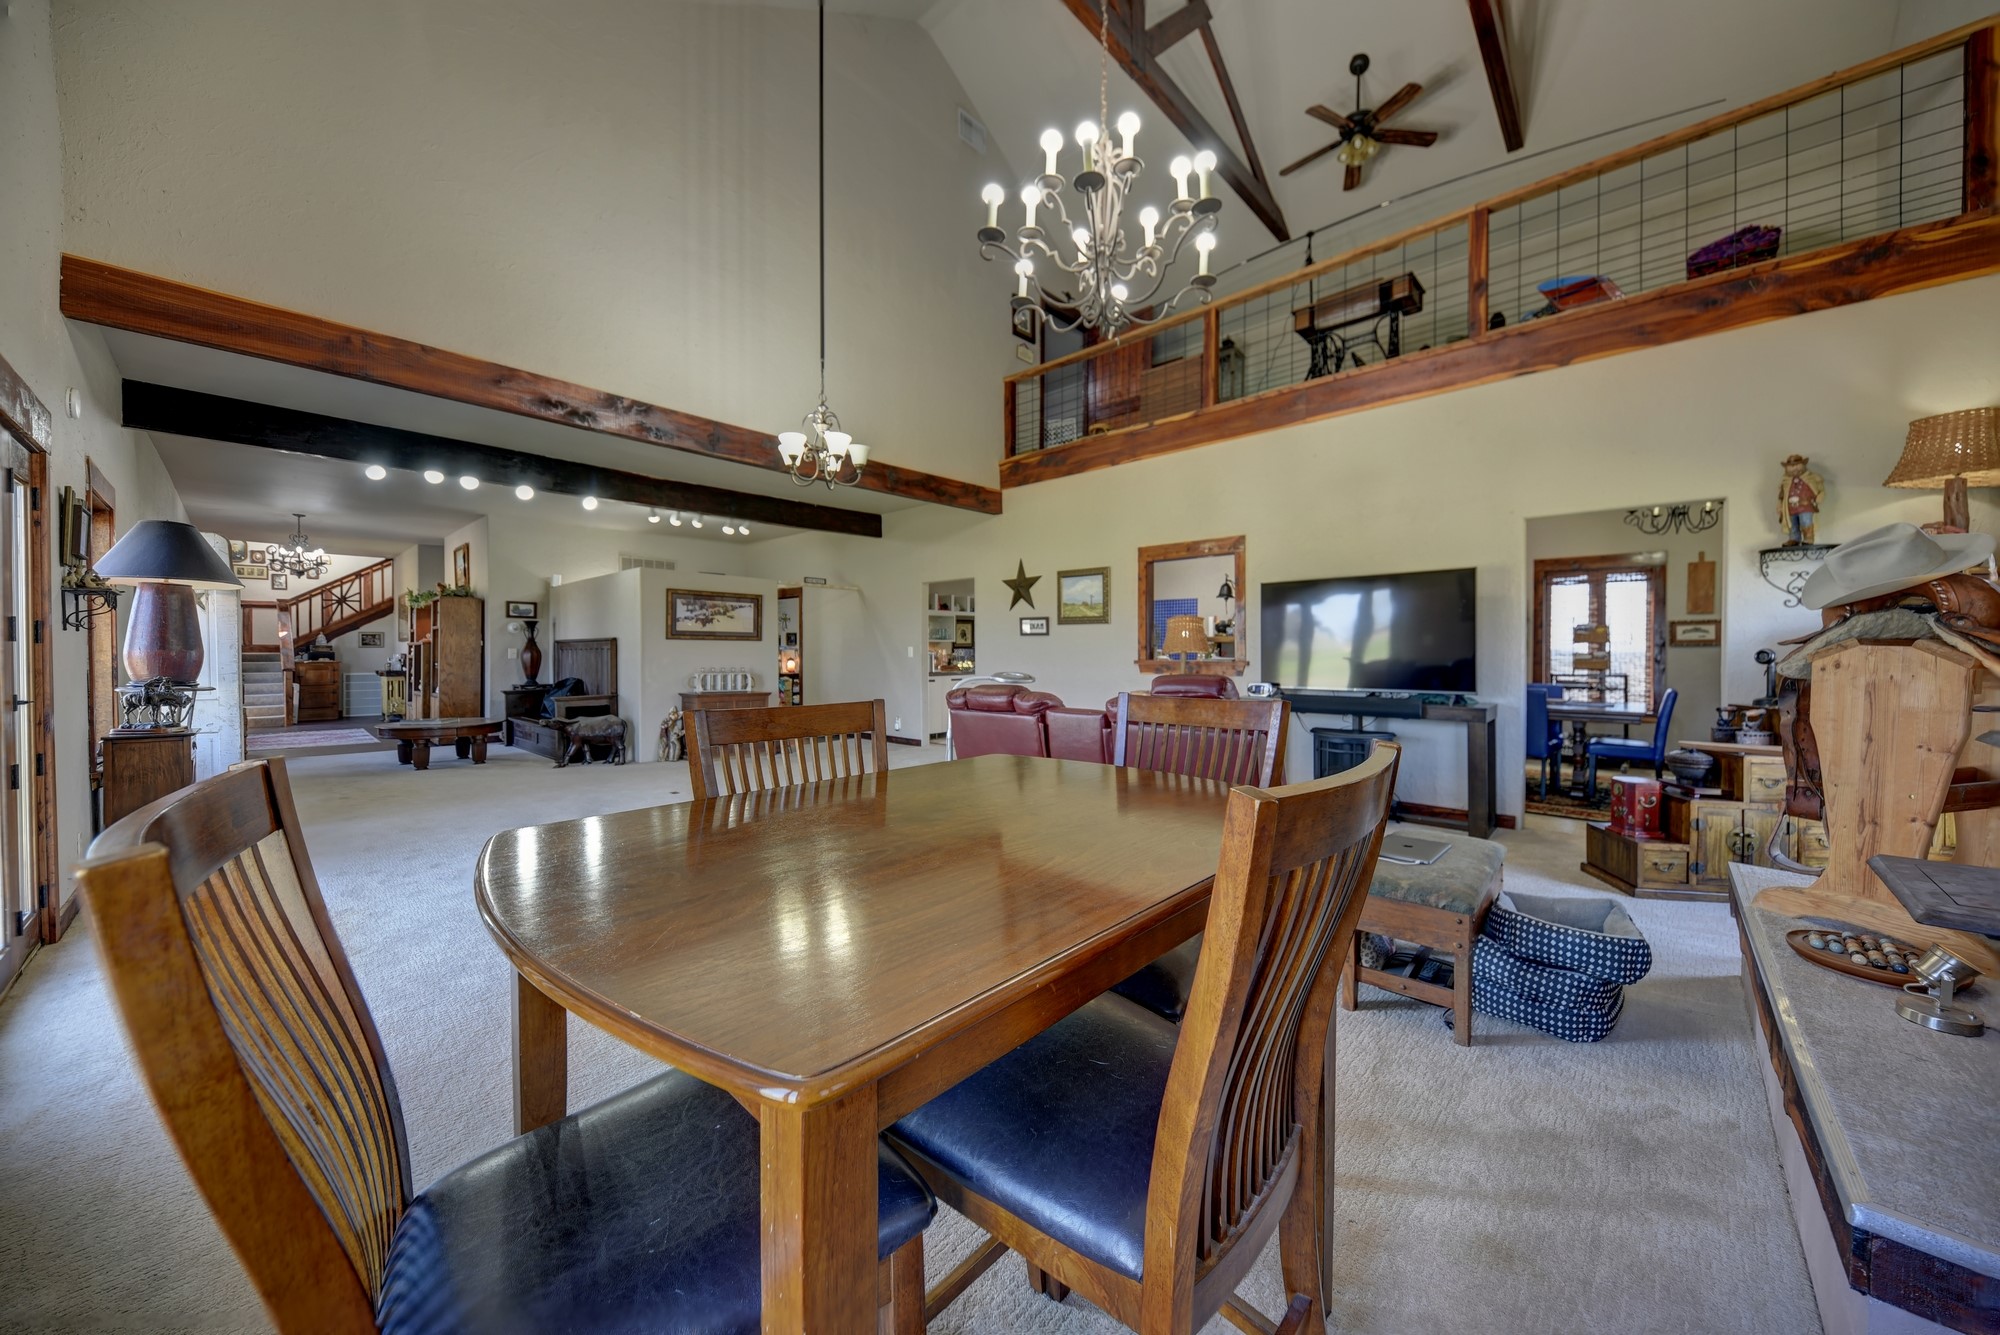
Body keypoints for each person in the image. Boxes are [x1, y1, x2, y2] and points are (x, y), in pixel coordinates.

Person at [1777, 453, 1825, 545]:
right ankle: (1794, 538)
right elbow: (1781, 495)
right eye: (1791, 466)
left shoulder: (1811, 478)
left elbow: (1820, 489)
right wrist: (1780, 506)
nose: (1794, 468)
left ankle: (1808, 538)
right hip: (1790, 508)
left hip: (1806, 505)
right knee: (1792, 523)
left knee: (1806, 521)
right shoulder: (1785, 481)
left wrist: (1820, 496)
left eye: (1796, 465)